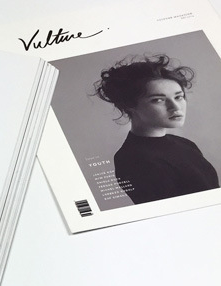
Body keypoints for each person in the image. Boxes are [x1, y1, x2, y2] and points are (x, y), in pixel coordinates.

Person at [94, 54, 219, 204]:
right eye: (158, 100)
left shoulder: (184, 143)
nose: (175, 107)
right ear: (129, 105)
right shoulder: (135, 160)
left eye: (178, 97)